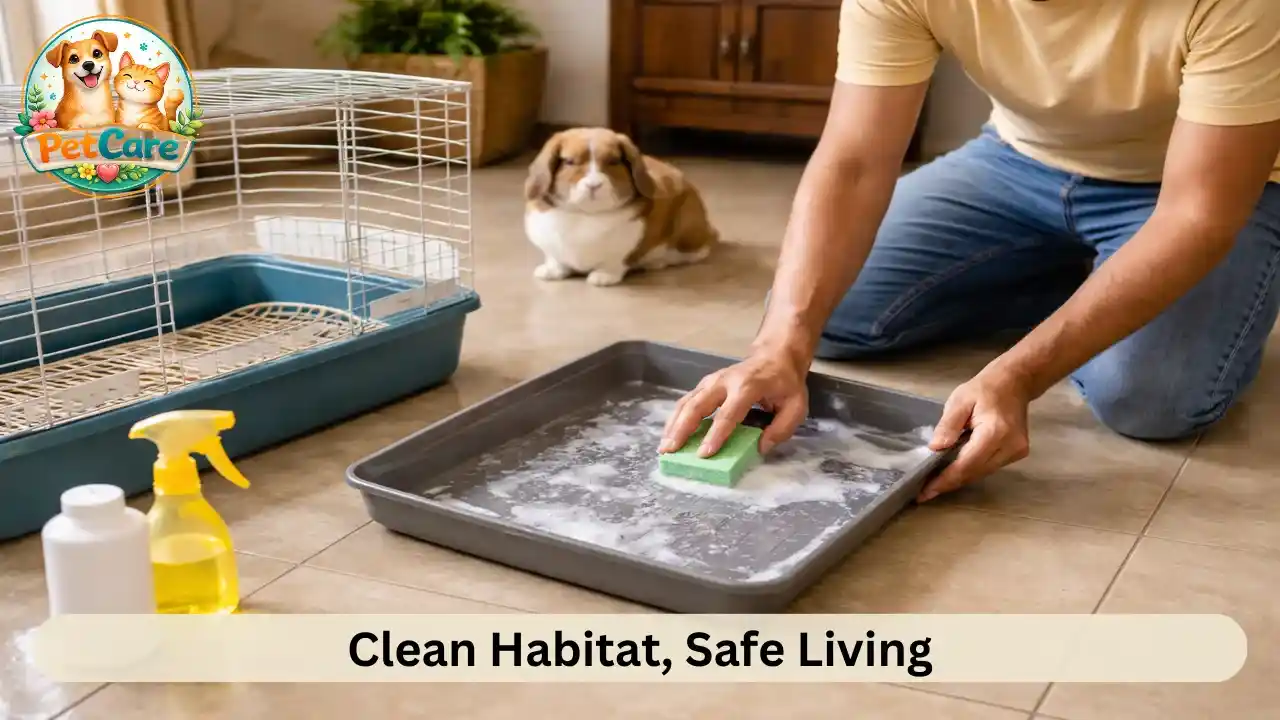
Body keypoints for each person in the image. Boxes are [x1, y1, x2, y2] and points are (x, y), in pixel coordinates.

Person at [659, 0, 1280, 502]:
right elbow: (853, 160)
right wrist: (777, 347)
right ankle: (1094, 280)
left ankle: (1120, 286)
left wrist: (1018, 373)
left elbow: (1196, 215)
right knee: (821, 312)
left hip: (1210, 188)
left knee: (1149, 398)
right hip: (1021, 161)